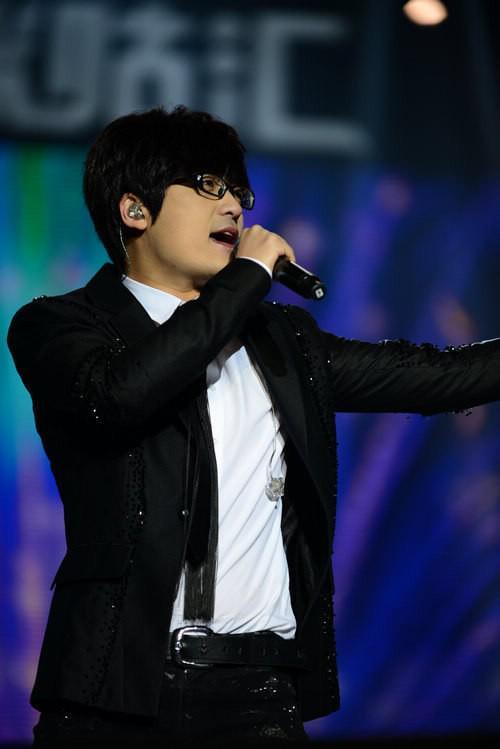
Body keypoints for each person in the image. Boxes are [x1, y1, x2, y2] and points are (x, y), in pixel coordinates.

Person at [7, 105, 500, 745]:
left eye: (239, 191)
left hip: (257, 694)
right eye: (209, 186)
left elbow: (438, 375)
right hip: (115, 691)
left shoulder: (283, 343)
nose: (234, 206)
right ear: (135, 211)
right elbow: (122, 396)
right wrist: (245, 279)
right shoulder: (60, 325)